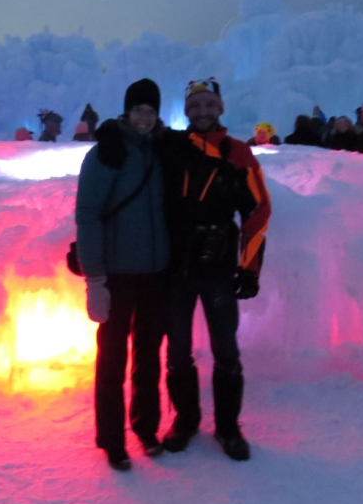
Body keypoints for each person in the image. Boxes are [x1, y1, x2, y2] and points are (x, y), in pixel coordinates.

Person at [159, 77, 271, 461]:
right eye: (195, 106)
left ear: (220, 108)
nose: (202, 112)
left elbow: (257, 209)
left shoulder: (238, 153)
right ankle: (186, 421)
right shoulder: (171, 147)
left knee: (226, 350)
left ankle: (227, 427)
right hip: (175, 268)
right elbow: (134, 142)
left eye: (209, 105)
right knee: (176, 352)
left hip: (219, 268)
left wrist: (250, 267)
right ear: (186, 111)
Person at [75, 79, 170, 471]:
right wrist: (95, 278)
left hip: (155, 273)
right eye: (138, 111)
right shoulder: (106, 153)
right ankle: (112, 438)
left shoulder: (163, 150)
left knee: (148, 356)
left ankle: (146, 428)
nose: (144, 118)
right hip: (116, 274)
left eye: (150, 111)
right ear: (127, 112)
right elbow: (88, 215)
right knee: (112, 358)